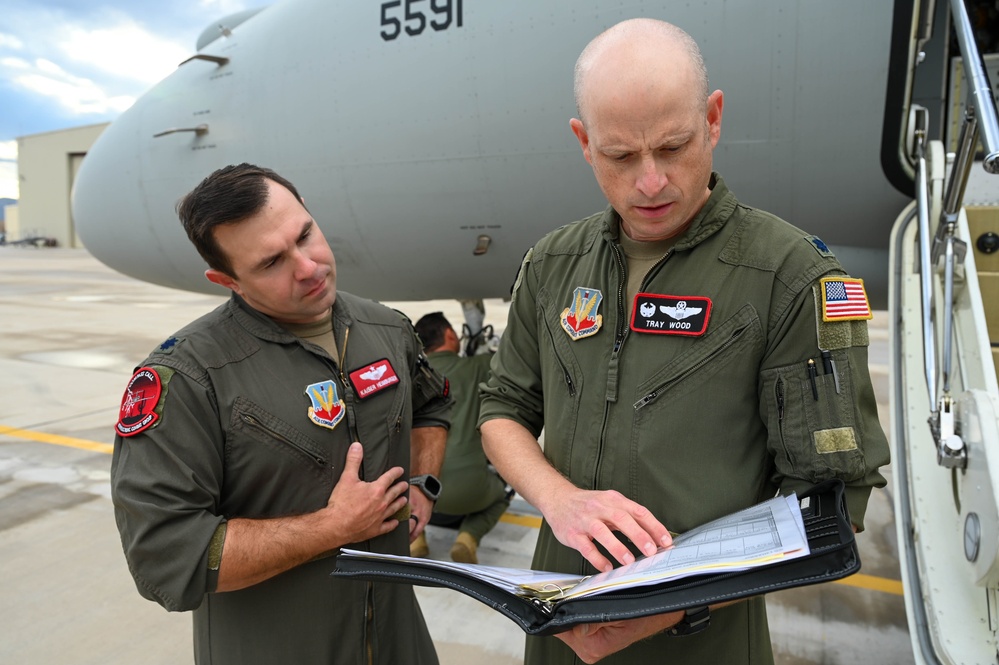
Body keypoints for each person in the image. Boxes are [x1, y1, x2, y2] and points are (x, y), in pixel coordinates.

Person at [478, 18, 890, 665]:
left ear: (713, 119)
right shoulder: (552, 262)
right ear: (584, 143)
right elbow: (502, 408)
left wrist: (659, 609)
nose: (649, 181)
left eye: (672, 146)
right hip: (561, 631)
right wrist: (559, 500)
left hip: (701, 642)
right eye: (620, 155)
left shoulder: (789, 276)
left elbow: (828, 502)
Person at [109, 163, 451, 665]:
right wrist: (333, 527)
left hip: (402, 643)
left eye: (305, 236)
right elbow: (164, 558)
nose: (309, 267)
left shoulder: (387, 329)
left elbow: (432, 403)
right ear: (228, 280)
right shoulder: (187, 378)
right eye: (271, 262)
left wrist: (423, 483)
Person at [410, 312, 511, 564]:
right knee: (504, 493)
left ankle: (415, 536)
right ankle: (468, 537)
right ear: (450, 335)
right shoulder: (475, 367)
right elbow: (509, 360)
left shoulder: (410, 374)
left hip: (421, 493)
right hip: (471, 491)